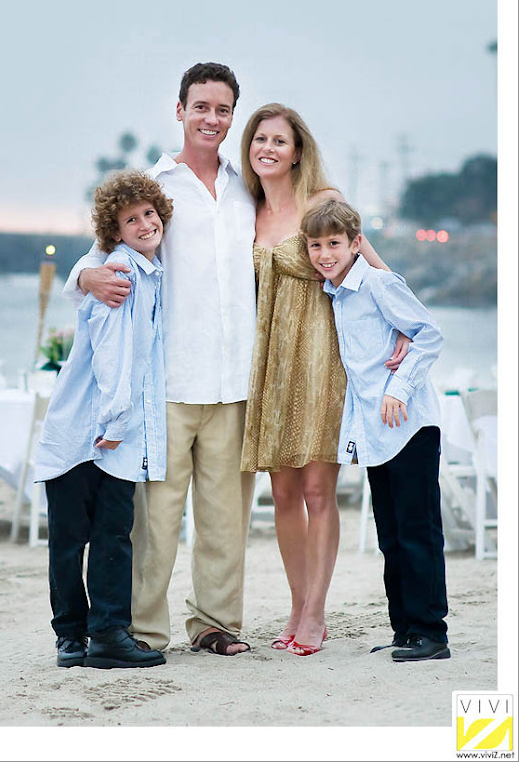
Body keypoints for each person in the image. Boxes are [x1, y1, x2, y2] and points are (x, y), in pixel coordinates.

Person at [62, 62, 256, 656]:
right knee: (155, 520)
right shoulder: (154, 185)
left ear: (232, 116)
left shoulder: (246, 187)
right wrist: (85, 278)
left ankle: (215, 624)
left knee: (226, 519)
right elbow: (95, 258)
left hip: (236, 379)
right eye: (201, 106)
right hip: (166, 383)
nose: (211, 119)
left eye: (223, 109)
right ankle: (144, 630)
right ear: (180, 110)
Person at [239, 103, 410, 656]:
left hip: (325, 360)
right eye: (259, 138)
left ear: (297, 151)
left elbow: (377, 270)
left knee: (317, 490)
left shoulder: (323, 202)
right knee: (283, 494)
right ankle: (296, 605)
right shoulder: (247, 211)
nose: (268, 148)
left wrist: (404, 328)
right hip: (271, 364)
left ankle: (316, 612)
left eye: (279, 140)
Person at [35, 170, 172, 670]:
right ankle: (81, 636)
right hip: (90, 431)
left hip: (112, 431)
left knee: (105, 535)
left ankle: (98, 636)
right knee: (78, 538)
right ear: (114, 232)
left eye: (149, 213)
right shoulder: (120, 273)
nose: (145, 223)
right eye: (131, 219)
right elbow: (113, 355)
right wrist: (115, 423)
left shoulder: (148, 271)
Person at [303, 198, 450, 662]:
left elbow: (428, 334)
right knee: (390, 535)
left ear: (355, 244)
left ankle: (431, 633)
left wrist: (398, 389)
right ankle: (404, 630)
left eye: (334, 243)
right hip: (375, 433)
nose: (325, 254)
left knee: (417, 532)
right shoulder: (335, 293)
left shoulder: (379, 284)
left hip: (409, 427)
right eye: (315, 246)